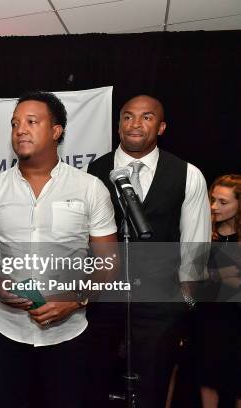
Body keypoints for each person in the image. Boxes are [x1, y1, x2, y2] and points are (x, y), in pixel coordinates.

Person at [0, 91, 118, 408]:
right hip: (6, 330)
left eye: (32, 122)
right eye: (15, 123)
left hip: (69, 333)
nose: (20, 129)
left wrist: (74, 300)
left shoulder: (89, 188)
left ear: (56, 131)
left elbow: (109, 263)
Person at [87, 94, 211, 407]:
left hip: (160, 301)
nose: (136, 124)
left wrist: (184, 302)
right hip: (104, 298)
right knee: (94, 381)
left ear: (162, 126)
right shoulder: (94, 171)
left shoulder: (187, 173)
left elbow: (195, 243)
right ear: (118, 126)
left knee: (151, 387)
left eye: (147, 117)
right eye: (128, 117)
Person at [194, 174, 240, 408]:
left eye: (223, 202)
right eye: (212, 200)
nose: (213, 207)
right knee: (207, 377)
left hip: (236, 321)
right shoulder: (204, 234)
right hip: (208, 320)